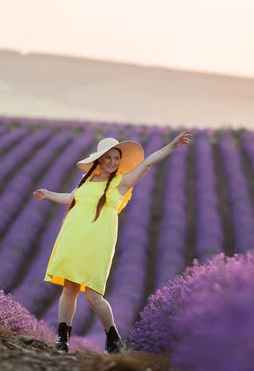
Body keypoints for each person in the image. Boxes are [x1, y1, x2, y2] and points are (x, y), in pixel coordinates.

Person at [32, 131, 192, 354]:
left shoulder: (121, 182)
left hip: (98, 243)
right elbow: (71, 199)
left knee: (94, 296)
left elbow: (147, 163)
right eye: (108, 157)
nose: (112, 162)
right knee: (69, 290)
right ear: (99, 159)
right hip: (72, 238)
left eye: (116, 158)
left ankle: (113, 338)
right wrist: (48, 194)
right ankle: (62, 339)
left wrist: (173, 145)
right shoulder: (87, 181)